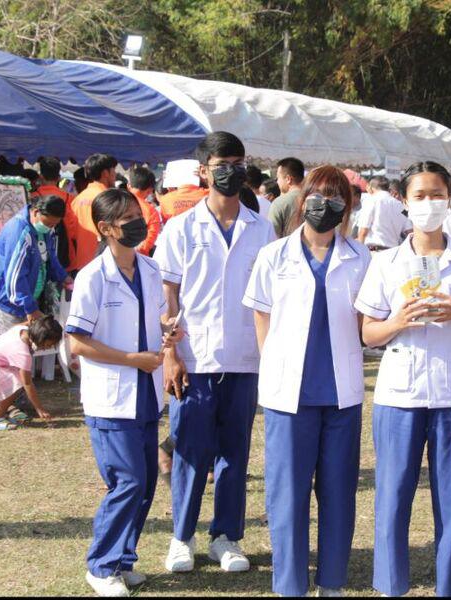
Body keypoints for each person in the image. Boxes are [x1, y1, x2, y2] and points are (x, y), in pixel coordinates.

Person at [356, 161, 451, 597]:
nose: (429, 203)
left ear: (449, 199)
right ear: (404, 201)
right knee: (393, 498)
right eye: (420, 196)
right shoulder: (385, 262)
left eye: (437, 195)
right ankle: (391, 585)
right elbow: (368, 333)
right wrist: (397, 321)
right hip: (399, 395)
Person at [243, 165, 371, 597]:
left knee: (338, 493)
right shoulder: (274, 255)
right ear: (303, 201)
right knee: (288, 496)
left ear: (347, 207)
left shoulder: (361, 258)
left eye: (336, 198)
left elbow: (366, 322)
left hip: (341, 396)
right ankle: (290, 585)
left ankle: (331, 582)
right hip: (288, 396)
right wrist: (273, 365)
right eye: (318, 196)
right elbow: (261, 316)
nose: (324, 205)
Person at [154, 131, 276, 575]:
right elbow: (168, 294)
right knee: (190, 450)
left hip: (244, 358)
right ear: (204, 172)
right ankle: (181, 536)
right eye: (222, 165)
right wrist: (171, 355)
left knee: (234, 453)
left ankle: (225, 537)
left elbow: (269, 298)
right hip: (195, 358)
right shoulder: (181, 228)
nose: (232, 171)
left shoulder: (262, 228)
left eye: (238, 163)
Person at [66, 188, 183, 597]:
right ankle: (101, 566)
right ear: (105, 228)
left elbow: (157, 317)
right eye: (128, 218)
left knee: (145, 482)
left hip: (146, 393)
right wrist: (132, 359)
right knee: (128, 481)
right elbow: (77, 343)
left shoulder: (149, 269)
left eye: (139, 215)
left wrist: (169, 330)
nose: (138, 223)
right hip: (112, 397)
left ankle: (122, 559)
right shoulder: (93, 277)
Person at [0, 195, 73, 333]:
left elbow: (50, 257)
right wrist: (30, 308)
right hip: (10, 303)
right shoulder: (19, 232)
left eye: (54, 225)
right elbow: (15, 277)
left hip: (29, 298)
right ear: (36, 212)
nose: (51, 227)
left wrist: (63, 277)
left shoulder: (44, 229)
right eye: (49, 224)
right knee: (16, 343)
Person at [71, 154, 118, 271]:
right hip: (105, 262)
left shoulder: (77, 199)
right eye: (113, 170)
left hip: (82, 263)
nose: (115, 174)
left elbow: (71, 233)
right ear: (105, 173)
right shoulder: (108, 198)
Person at [33, 156, 78, 271]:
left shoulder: (33, 197)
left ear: (40, 176)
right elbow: (74, 230)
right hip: (63, 255)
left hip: (37, 253)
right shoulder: (69, 199)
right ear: (58, 177)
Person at [356, 176, 410, 251]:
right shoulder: (400, 205)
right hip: (393, 251)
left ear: (371, 188)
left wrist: (359, 251)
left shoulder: (370, 201)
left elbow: (363, 231)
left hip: (374, 251)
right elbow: (410, 230)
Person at [128, 166, 163, 256]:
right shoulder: (151, 211)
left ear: (129, 185)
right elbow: (150, 239)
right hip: (138, 257)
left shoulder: (114, 202)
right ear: (150, 190)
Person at [268, 157, 305, 237]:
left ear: (288, 179)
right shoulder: (315, 199)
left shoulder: (279, 203)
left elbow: (271, 236)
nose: (277, 182)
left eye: (278, 178)